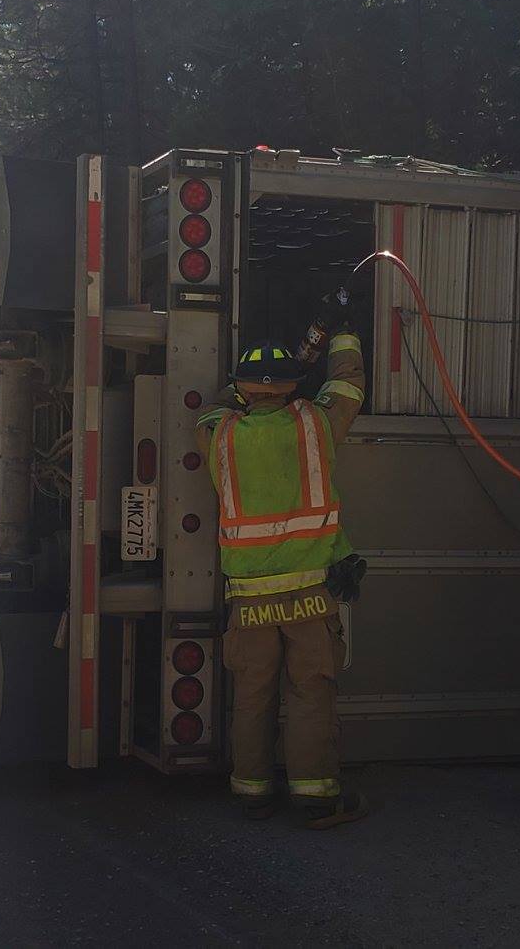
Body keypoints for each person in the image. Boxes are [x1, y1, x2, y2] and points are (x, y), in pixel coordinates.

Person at [195, 296, 371, 829]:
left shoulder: (218, 433)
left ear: (246, 390)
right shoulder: (315, 425)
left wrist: (276, 367)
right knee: (310, 693)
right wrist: (337, 337)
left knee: (252, 697)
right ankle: (315, 797)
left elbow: (217, 401)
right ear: (293, 386)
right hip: (311, 596)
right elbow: (348, 386)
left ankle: (252, 793)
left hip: (248, 600)